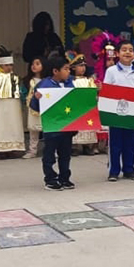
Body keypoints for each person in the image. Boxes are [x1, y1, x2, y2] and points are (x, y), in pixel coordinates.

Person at [30, 54, 75, 190]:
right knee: (49, 153)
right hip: (52, 126)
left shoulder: (70, 83)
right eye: (66, 69)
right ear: (55, 71)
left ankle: (64, 177)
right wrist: (36, 99)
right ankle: (50, 178)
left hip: (67, 126)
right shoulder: (44, 85)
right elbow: (35, 106)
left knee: (65, 153)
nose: (69, 72)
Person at [104, 42, 134, 181]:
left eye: (131, 50)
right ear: (117, 53)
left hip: (131, 112)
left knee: (130, 142)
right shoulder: (111, 71)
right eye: (124, 50)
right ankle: (114, 171)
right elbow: (106, 90)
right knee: (115, 143)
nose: (128, 53)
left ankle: (129, 169)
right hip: (115, 112)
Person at [0, 46, 24, 158]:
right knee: (2, 126)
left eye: (11, 65)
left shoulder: (15, 77)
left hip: (13, 106)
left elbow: (20, 93)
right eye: (6, 65)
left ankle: (14, 147)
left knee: (14, 125)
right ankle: (3, 149)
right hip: (1, 107)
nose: (9, 67)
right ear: (0, 65)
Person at [70, 56, 99, 155]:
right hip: (76, 107)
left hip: (87, 107)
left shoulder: (89, 80)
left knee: (87, 127)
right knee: (76, 125)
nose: (83, 68)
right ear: (73, 68)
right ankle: (74, 146)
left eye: (84, 66)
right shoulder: (71, 81)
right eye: (80, 66)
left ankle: (87, 146)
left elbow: (93, 92)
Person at [21, 57, 45, 159]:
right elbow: (23, 93)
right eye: (32, 64)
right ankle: (32, 150)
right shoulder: (28, 81)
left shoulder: (48, 81)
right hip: (33, 108)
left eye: (37, 63)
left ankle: (51, 150)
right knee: (33, 130)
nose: (34, 66)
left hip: (45, 108)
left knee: (48, 130)